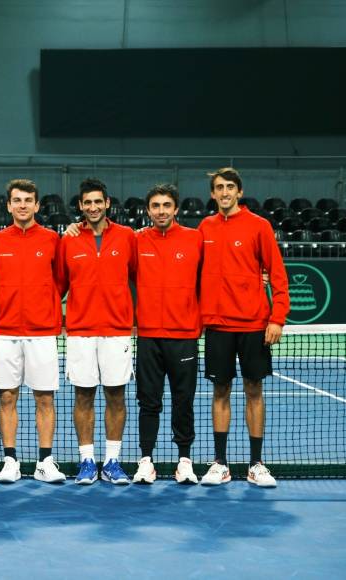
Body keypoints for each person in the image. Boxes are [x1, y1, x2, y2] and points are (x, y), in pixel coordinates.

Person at [198, 167, 289, 488]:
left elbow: (277, 274)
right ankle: (220, 464)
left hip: (253, 325)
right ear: (212, 194)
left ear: (239, 192)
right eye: (219, 187)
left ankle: (256, 464)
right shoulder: (204, 227)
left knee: (254, 391)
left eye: (229, 187)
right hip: (218, 327)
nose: (224, 192)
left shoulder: (259, 226)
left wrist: (277, 317)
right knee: (219, 391)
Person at [0, 179, 65, 484]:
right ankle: (10, 461)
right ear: (8, 205)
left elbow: (61, 279)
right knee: (7, 397)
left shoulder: (52, 241)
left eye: (28, 200)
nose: (22, 205)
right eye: (16, 200)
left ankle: (45, 461)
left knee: (45, 398)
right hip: (6, 331)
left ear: (37, 205)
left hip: (43, 332)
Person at [58, 178, 136, 485]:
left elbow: (142, 275)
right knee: (83, 396)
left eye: (97, 202)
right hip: (80, 331)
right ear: (80, 206)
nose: (92, 207)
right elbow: (58, 283)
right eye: (87, 202)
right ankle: (87, 461)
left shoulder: (128, 237)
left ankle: (113, 461)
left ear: (107, 204)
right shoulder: (69, 239)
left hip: (117, 330)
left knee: (116, 395)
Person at [130, 184, 203, 485]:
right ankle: (146, 460)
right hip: (148, 335)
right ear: (148, 210)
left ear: (176, 209)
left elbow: (215, 273)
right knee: (148, 401)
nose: (161, 211)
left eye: (166, 205)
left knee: (183, 400)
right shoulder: (135, 241)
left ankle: (184, 461)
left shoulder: (195, 239)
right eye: (156, 206)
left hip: (184, 334)